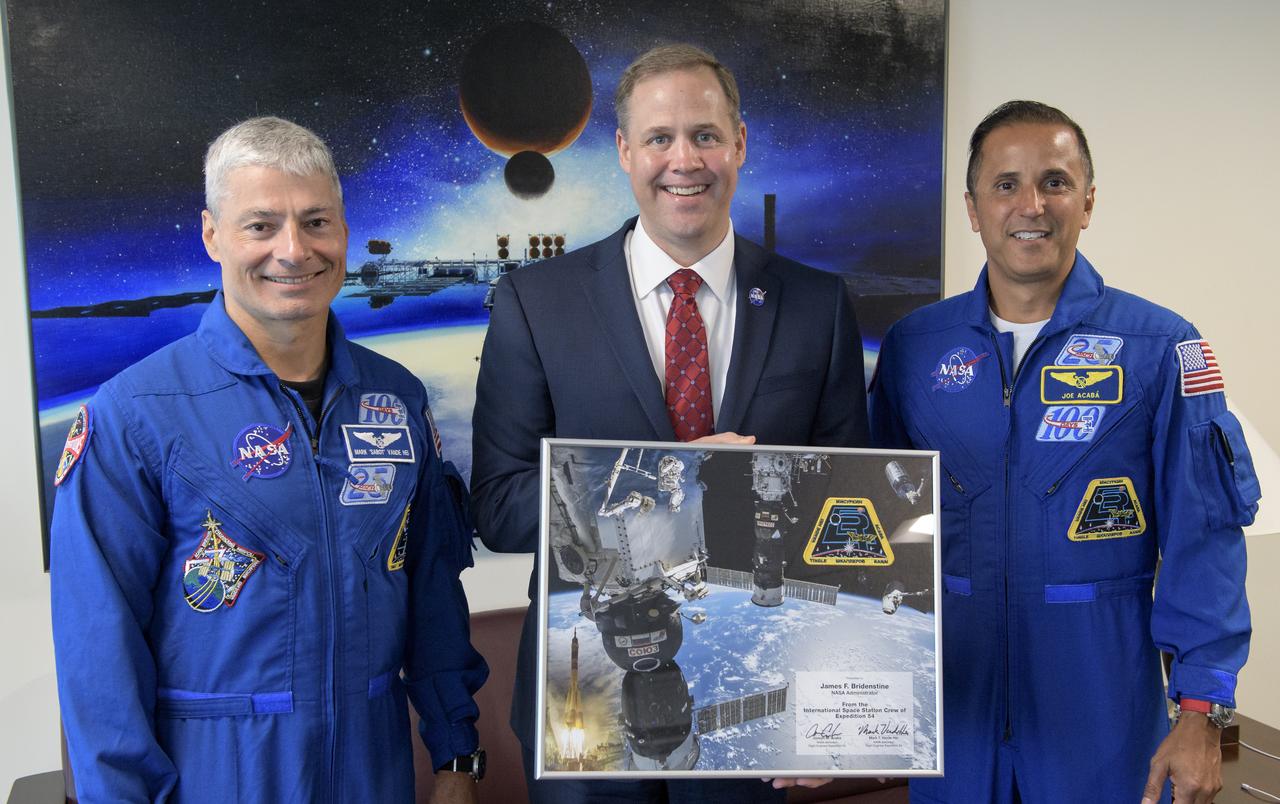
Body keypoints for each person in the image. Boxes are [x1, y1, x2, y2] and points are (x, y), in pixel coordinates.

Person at [50, 116, 488, 803]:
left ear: (343, 231)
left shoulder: (396, 398)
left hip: (375, 774)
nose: (294, 250)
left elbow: (431, 594)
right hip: (219, 776)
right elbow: (98, 650)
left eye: (316, 221)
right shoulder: (135, 415)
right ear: (211, 235)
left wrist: (456, 756)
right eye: (261, 225)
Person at [472, 43, 868, 803]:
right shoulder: (537, 302)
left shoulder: (816, 306)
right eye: (659, 138)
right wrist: (669, 486)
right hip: (582, 692)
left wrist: (833, 703)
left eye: (705, 135)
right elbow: (498, 505)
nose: (683, 160)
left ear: (740, 144)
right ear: (624, 151)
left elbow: (843, 519)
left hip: (752, 681)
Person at [869, 100, 1257, 804]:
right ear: (973, 206)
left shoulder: (1162, 347)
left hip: (1102, 716)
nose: (1031, 205)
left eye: (1054, 181)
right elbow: (875, 532)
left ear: (1087, 201)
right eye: (1006, 184)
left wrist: (1200, 710)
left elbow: (1206, 539)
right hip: (957, 711)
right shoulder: (913, 350)